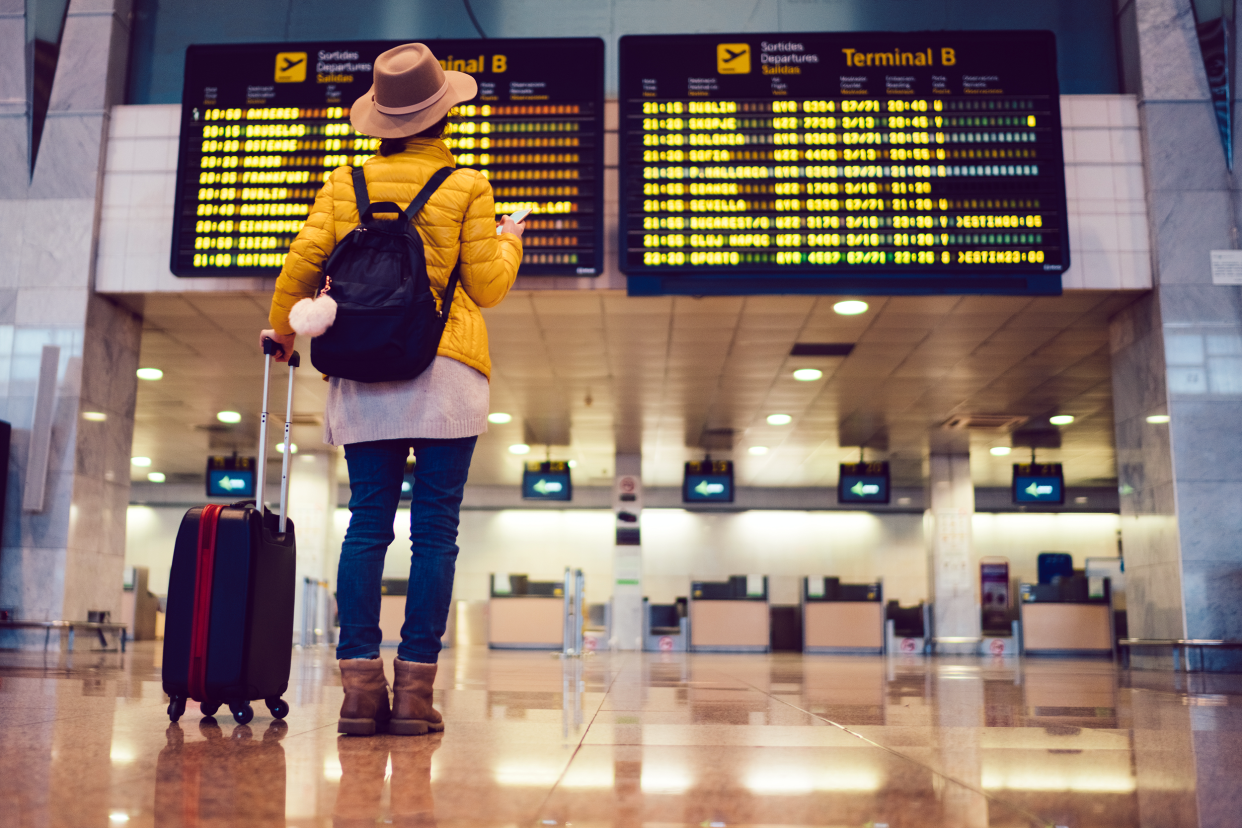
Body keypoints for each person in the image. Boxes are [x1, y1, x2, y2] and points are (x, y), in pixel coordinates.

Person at [260, 42, 523, 736]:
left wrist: (282, 333)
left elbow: (303, 259)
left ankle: (357, 691)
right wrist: (511, 239)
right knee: (436, 531)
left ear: (380, 119)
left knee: (368, 524)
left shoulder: (344, 183)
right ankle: (414, 695)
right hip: (446, 370)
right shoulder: (468, 185)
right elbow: (488, 286)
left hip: (364, 365)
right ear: (443, 116)